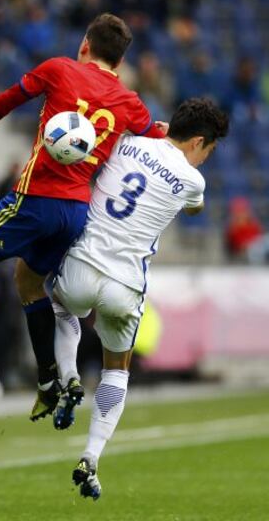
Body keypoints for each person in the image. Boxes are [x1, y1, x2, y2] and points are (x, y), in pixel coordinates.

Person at [0, 13, 168, 417]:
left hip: (35, 198)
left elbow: (11, 96)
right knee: (28, 283)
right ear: (119, 62)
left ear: (85, 44)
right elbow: (154, 134)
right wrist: (164, 132)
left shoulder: (60, 69)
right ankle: (48, 379)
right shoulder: (130, 102)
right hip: (77, 212)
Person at [51, 98, 229, 499]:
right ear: (199, 141)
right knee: (118, 370)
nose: (206, 160)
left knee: (62, 307)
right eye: (209, 151)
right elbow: (195, 210)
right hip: (125, 283)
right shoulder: (193, 181)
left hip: (83, 260)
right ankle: (91, 457)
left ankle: (70, 379)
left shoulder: (126, 141)